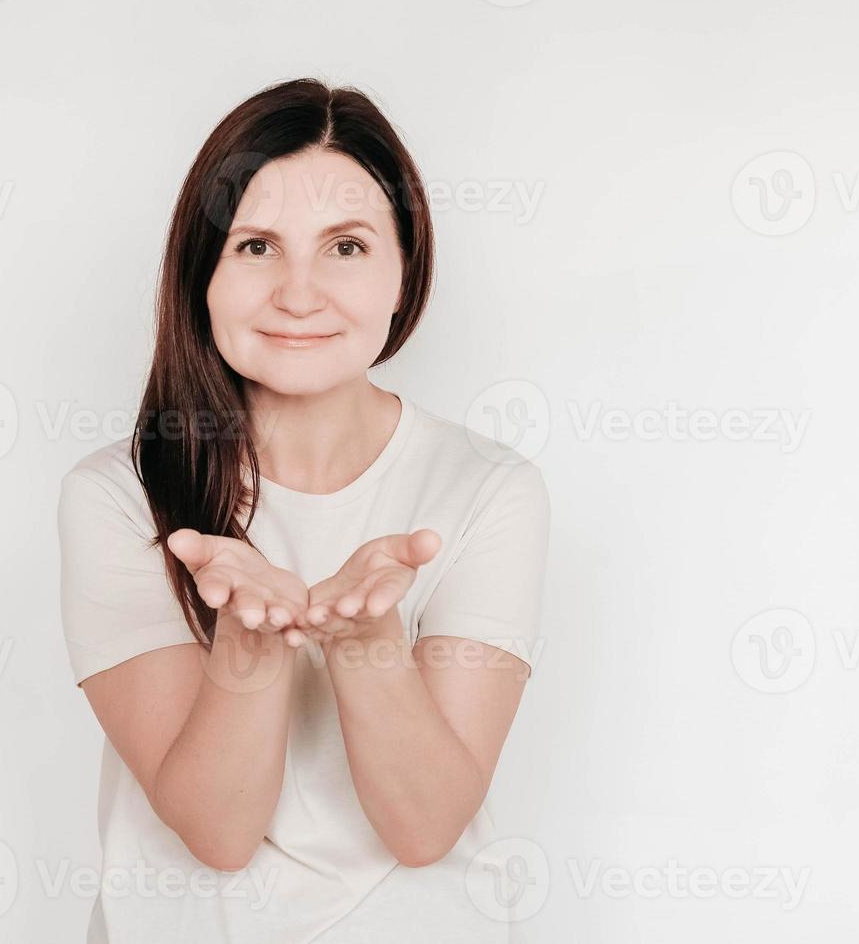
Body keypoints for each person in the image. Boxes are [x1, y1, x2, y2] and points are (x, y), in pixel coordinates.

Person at [57, 76, 550, 942]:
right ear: (202, 273)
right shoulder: (118, 496)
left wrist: (366, 643)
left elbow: (425, 826)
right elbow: (216, 831)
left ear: (406, 273)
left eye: (347, 247)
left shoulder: (487, 487)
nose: (298, 292)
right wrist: (249, 646)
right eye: (256, 247)